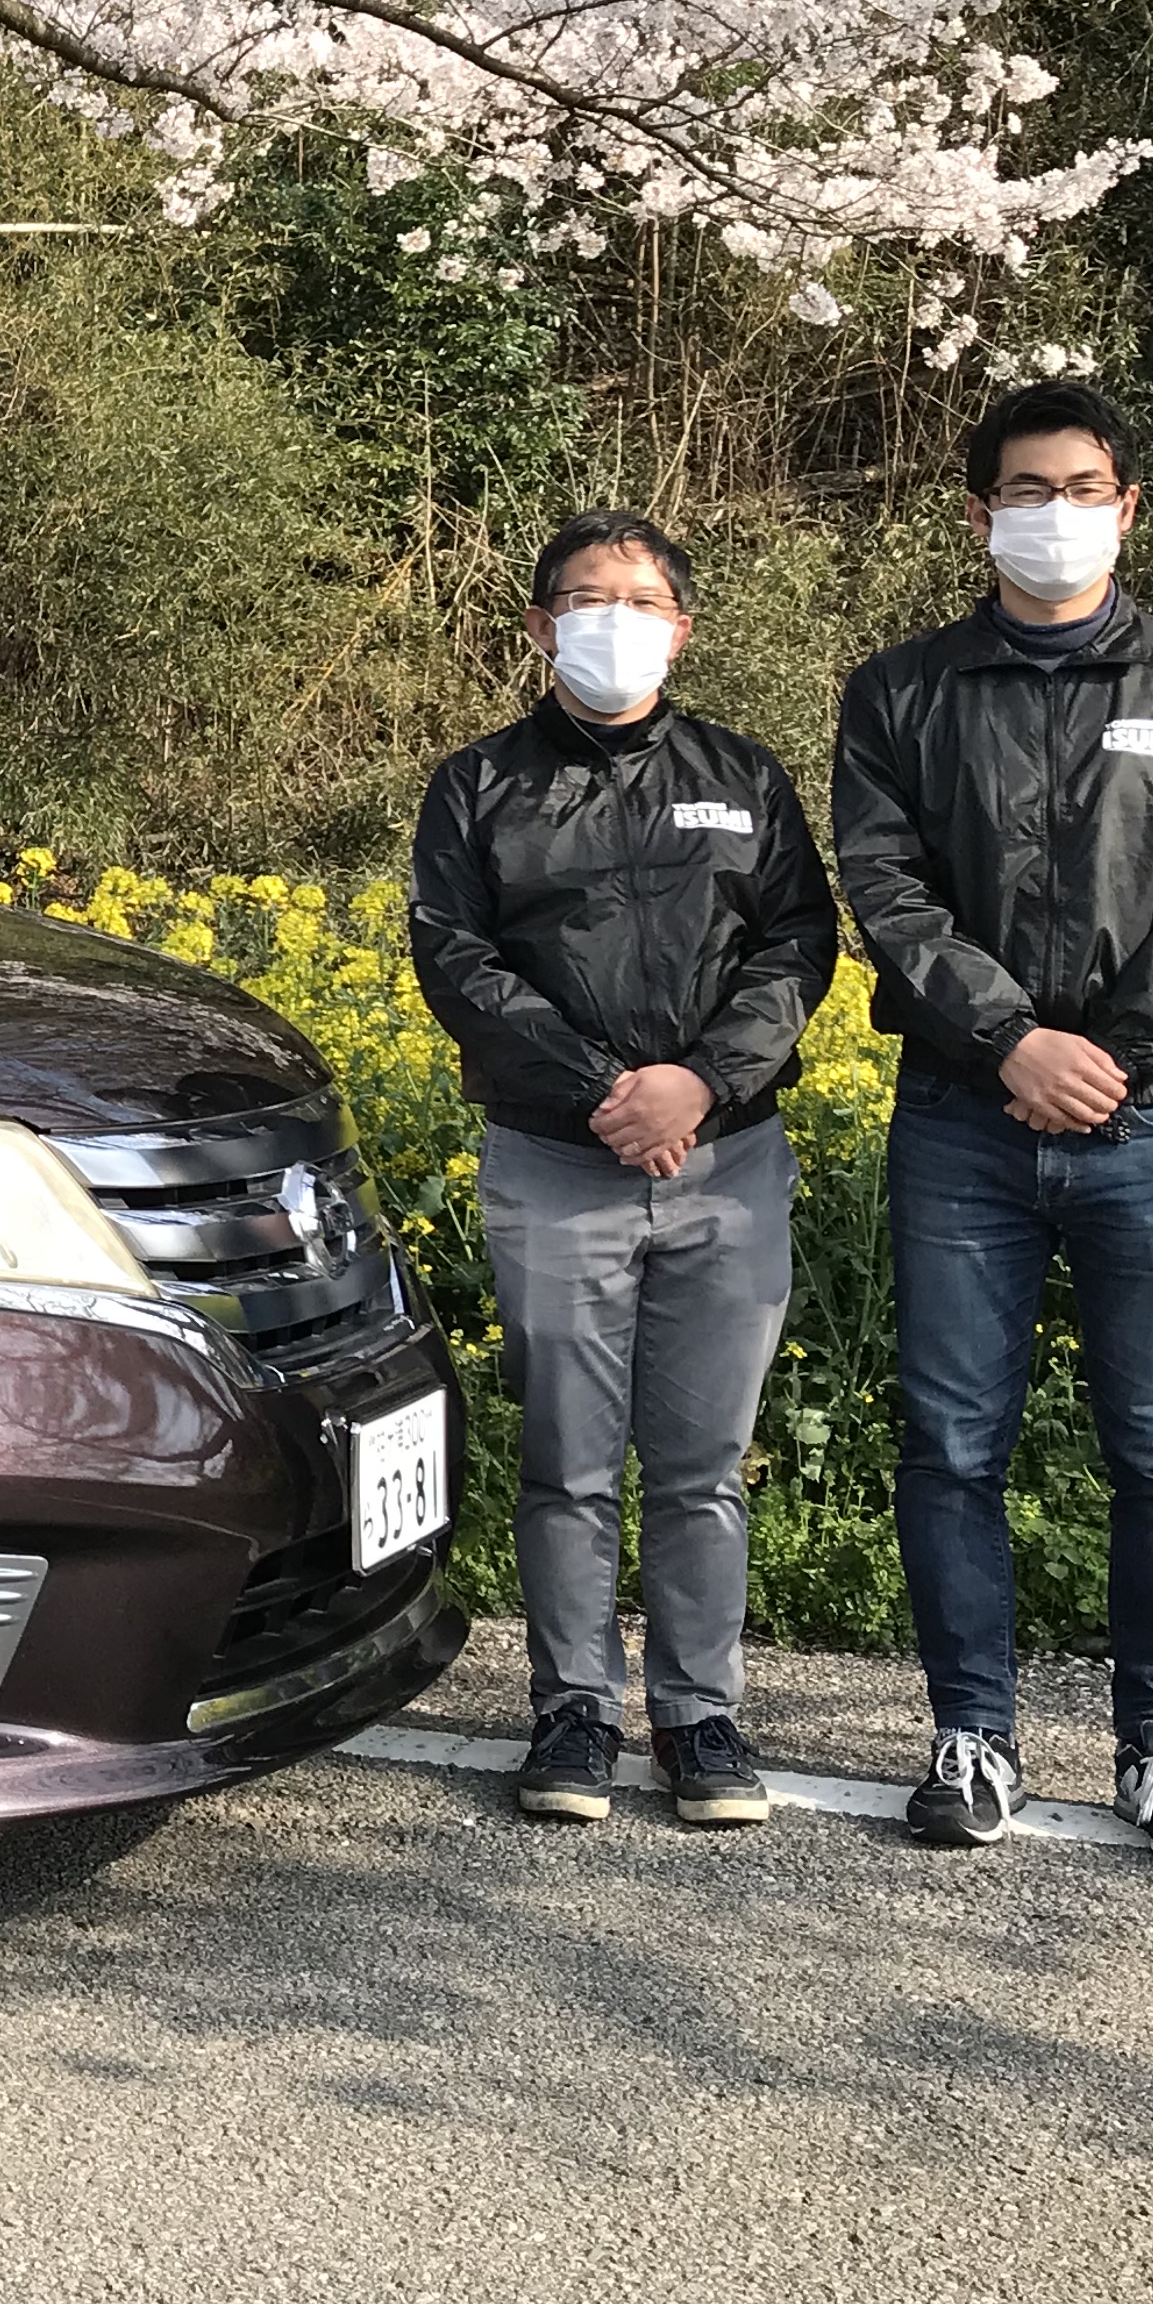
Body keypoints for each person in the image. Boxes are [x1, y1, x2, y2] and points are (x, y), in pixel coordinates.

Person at [835, 379, 1153, 1864]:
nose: (1053, 514)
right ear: (979, 514)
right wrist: (1011, 1038)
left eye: (1081, 487)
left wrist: (1098, 1053)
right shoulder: (901, 691)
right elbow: (887, 890)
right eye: (1024, 492)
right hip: (966, 1120)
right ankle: (972, 1736)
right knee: (953, 1442)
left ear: (1128, 503)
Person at [412, 511, 840, 1827]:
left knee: (705, 1460)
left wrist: (699, 1082)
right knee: (569, 1456)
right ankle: (574, 1711)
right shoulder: (478, 785)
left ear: (681, 627)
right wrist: (605, 1089)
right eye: (587, 598)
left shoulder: (744, 777)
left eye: (642, 598)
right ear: (542, 629)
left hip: (728, 1161)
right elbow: (458, 961)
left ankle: (702, 1717)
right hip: (557, 1161)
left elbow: (798, 944)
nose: (616, 618)